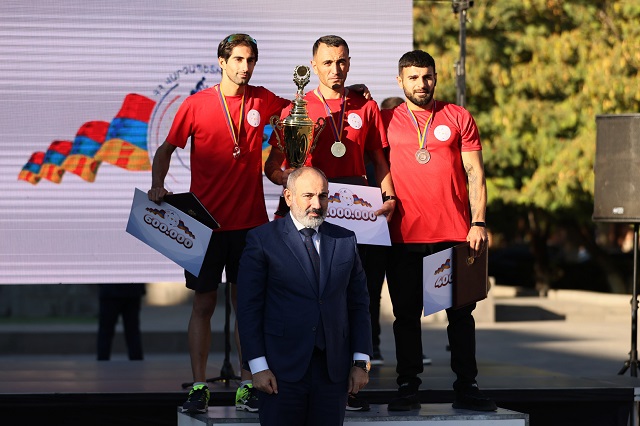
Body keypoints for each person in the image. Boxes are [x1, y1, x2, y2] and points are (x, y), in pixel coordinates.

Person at [148, 33, 290, 414]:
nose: (245, 67)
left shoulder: (263, 99)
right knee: (203, 304)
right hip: (204, 225)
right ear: (222, 62)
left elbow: (304, 110)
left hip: (249, 226)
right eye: (239, 60)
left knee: (247, 307)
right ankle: (198, 385)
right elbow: (166, 149)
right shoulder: (195, 104)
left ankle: (249, 384)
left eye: (251, 61)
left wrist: (354, 92)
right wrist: (157, 184)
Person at [263, 36, 395, 411]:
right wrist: (287, 179)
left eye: (341, 62)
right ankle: (285, 379)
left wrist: (389, 196)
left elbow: (379, 160)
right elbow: (273, 165)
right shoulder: (295, 110)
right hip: (309, 213)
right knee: (301, 297)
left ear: (349, 63)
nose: (335, 70)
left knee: (358, 298)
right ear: (313, 65)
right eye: (327, 63)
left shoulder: (366, 107)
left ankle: (352, 383)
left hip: (355, 217)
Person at [381, 50, 497, 412]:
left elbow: (476, 174)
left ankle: (467, 386)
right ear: (400, 80)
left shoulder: (458, 116)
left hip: (453, 234)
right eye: (413, 78)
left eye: (427, 76)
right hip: (402, 236)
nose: (421, 84)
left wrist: (477, 222)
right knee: (406, 316)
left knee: (460, 316)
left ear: (435, 76)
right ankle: (407, 386)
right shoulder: (384, 119)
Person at [237, 166, 373, 426]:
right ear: (288, 197)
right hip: (279, 371)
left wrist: (361, 361)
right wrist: (257, 366)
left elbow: (359, 305)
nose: (317, 204)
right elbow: (248, 308)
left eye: (323, 196)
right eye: (308, 196)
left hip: (333, 373)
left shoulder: (345, 239)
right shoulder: (262, 240)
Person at [364, 97, 432, 367]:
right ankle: (372, 348)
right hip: (375, 232)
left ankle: (412, 351)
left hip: (406, 233)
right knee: (370, 292)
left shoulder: (414, 155)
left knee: (409, 299)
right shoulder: (373, 158)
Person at [96, 283, 145, 361]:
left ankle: (102, 361)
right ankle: (137, 362)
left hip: (110, 290)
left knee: (105, 332)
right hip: (132, 291)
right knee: (133, 331)